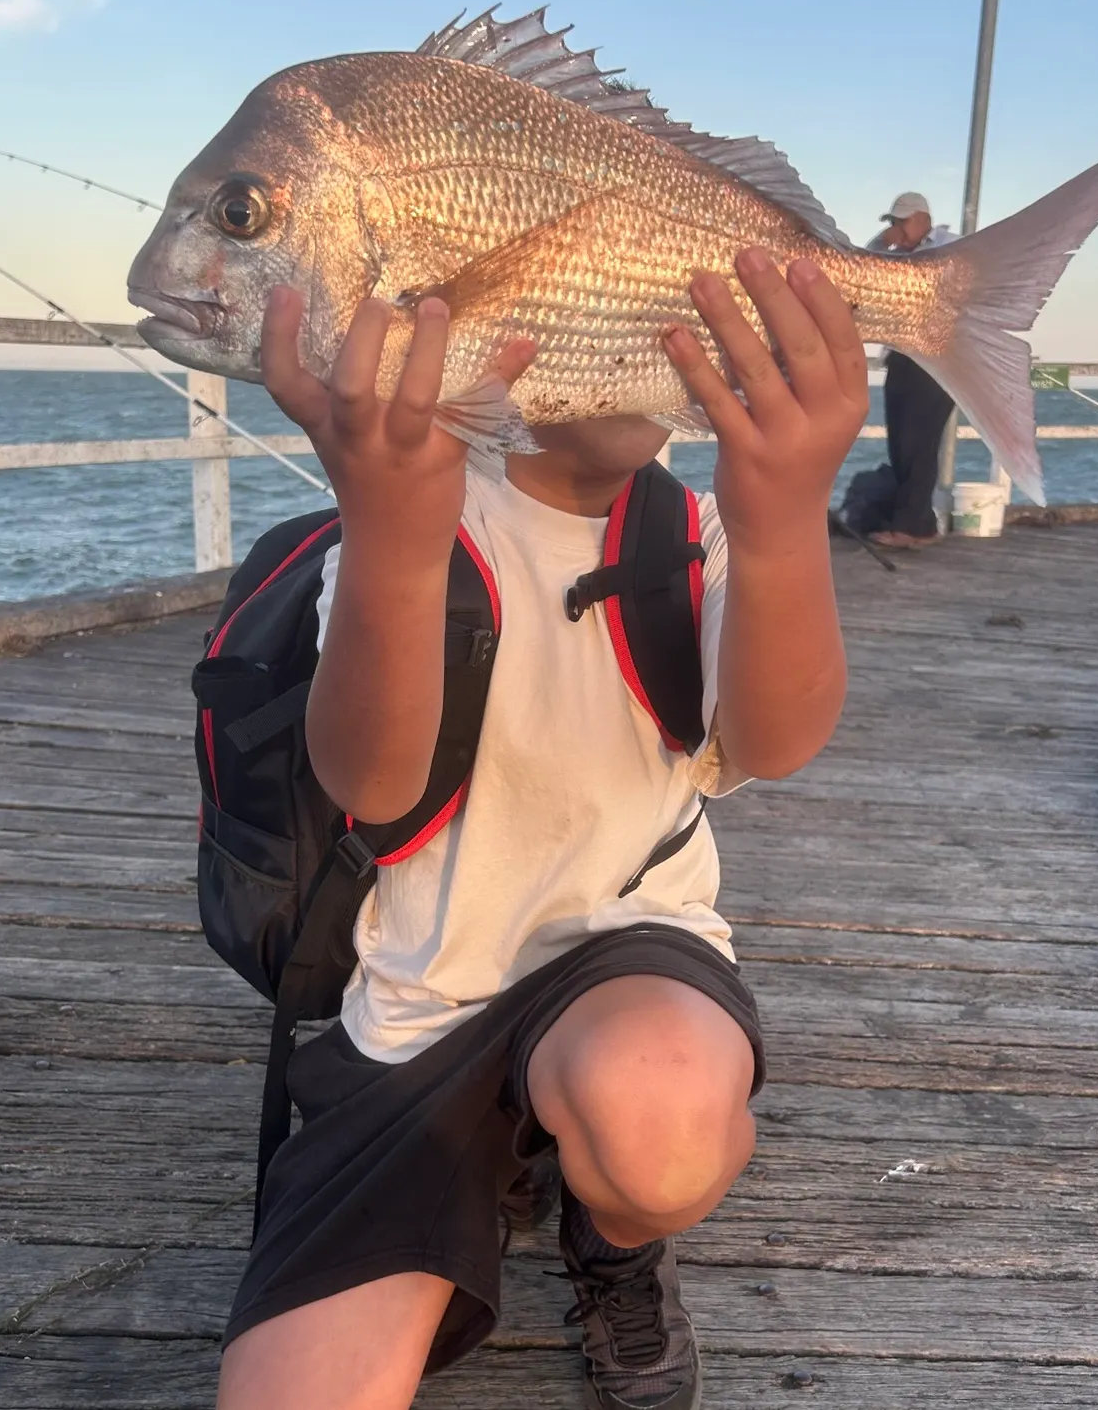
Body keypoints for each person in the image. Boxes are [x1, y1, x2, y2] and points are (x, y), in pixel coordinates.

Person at [215, 249, 868, 1410]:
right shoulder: (413, 496)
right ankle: (515, 1161)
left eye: (656, 309)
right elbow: (370, 779)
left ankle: (614, 1243)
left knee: (659, 1125)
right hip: (416, 1008)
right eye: (594, 306)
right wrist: (394, 541)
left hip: (628, 955)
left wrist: (785, 520)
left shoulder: (703, 528)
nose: (628, 333)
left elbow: (776, 740)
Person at [866, 194, 959, 549]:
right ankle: (921, 523)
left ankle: (910, 526)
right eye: (892, 222)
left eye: (902, 222)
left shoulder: (950, 246)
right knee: (900, 441)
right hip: (901, 354)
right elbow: (859, 264)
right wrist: (881, 242)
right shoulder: (891, 252)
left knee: (920, 442)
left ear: (923, 220)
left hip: (935, 357)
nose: (897, 230)